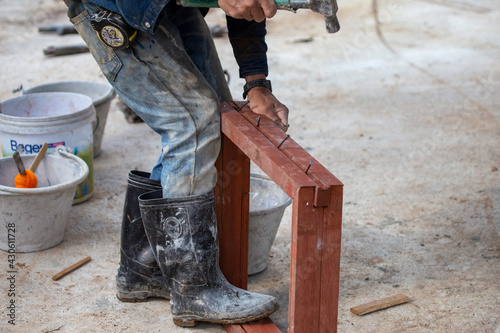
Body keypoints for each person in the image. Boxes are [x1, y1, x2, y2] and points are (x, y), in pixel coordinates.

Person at [63, 0, 290, 328]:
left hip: (168, 8)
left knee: (219, 114)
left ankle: (145, 266)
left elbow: (250, 6)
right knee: (192, 121)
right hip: (115, 9)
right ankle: (195, 289)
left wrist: (256, 81)